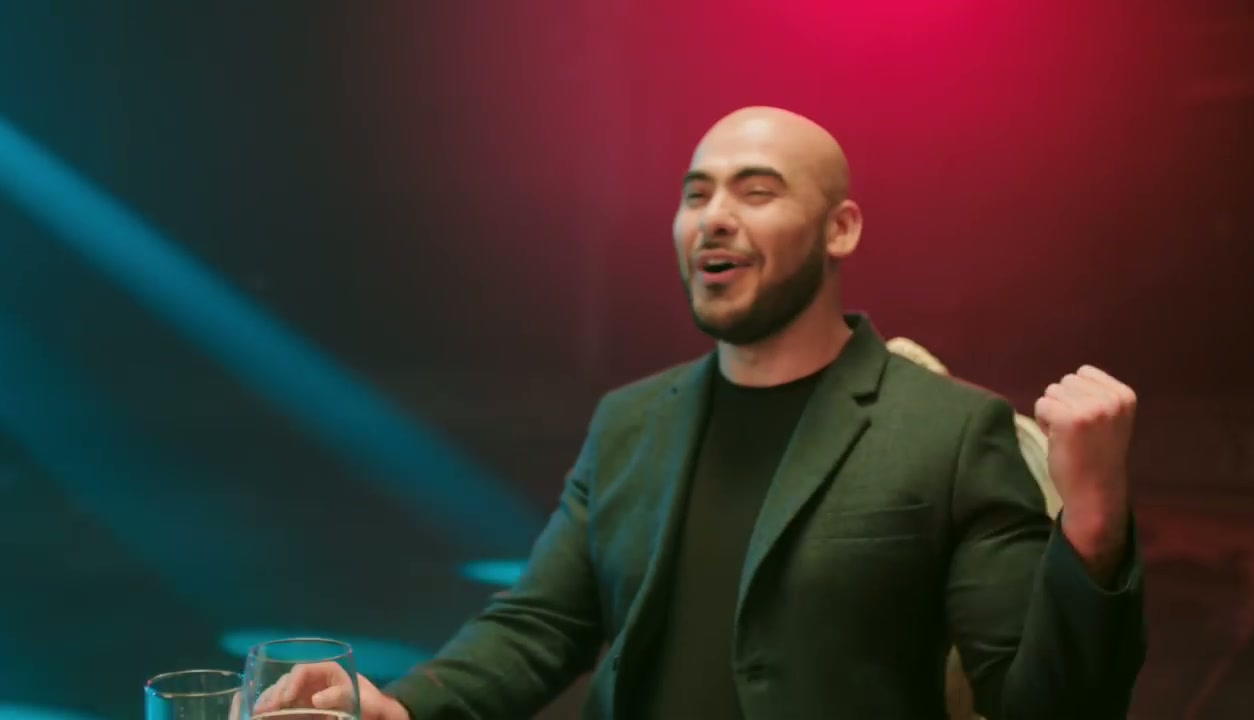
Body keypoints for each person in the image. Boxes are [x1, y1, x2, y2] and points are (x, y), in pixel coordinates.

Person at [258, 107, 1146, 719]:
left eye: (756, 192)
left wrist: (1095, 527)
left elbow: (1046, 705)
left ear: (840, 229)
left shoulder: (949, 430)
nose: (713, 218)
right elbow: (541, 625)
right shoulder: (630, 421)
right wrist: (404, 704)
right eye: (695, 194)